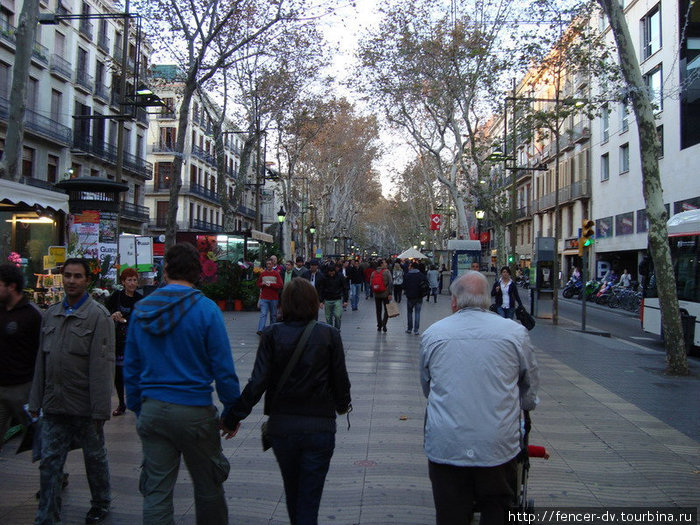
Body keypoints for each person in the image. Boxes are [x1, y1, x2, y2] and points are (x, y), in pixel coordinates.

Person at [124, 243, 241, 525]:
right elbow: (223, 369)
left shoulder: (141, 310)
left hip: (153, 410)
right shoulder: (206, 310)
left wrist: (139, 408)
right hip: (195, 411)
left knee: (156, 493)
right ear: (198, 272)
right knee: (208, 487)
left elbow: (131, 367)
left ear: (165, 271)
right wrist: (231, 413)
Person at [222, 278, 351, 525]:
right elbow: (341, 380)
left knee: (293, 492)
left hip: (283, 428)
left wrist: (232, 418)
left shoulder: (271, 334)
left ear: (285, 303)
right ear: (314, 303)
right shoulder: (330, 335)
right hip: (320, 428)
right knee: (309, 498)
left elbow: (257, 382)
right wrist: (343, 405)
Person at [420, 271, 539, 525]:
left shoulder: (433, 334)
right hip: (497, 444)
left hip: (447, 443)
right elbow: (529, 387)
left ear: (454, 301)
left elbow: (427, 387)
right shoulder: (515, 333)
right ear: (488, 300)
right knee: (497, 508)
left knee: (450, 514)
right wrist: (523, 407)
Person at [28, 258, 114, 525]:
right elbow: (41, 362)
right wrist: (35, 400)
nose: (72, 281)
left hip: (84, 406)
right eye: (68, 276)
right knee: (49, 463)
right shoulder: (50, 314)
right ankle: (46, 516)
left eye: (78, 276)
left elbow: (103, 366)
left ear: (87, 280)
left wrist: (100, 409)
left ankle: (100, 501)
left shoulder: (98, 316)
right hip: (54, 405)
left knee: (94, 458)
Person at [0, 263, 42, 451]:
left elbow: (41, 352)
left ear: (11, 286)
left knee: (38, 438)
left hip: (23, 388)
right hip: (1, 387)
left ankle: (55, 474)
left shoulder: (32, 314)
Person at [105, 268, 142, 417]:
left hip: (134, 342)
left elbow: (140, 319)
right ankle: (121, 403)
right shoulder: (116, 297)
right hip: (118, 341)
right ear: (123, 282)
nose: (132, 283)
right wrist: (113, 314)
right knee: (118, 374)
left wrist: (125, 320)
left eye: (134, 280)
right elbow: (106, 311)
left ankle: (137, 401)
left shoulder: (140, 299)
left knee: (135, 373)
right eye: (129, 280)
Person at [317, 264, 349, 330]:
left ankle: (337, 329)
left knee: (337, 315)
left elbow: (345, 288)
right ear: (327, 271)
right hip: (327, 300)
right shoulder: (324, 277)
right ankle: (330, 330)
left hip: (337, 299)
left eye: (332, 271)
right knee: (328, 318)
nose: (331, 273)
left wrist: (345, 300)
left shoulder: (340, 276)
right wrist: (321, 301)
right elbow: (321, 289)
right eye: (330, 272)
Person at [257, 258, 284, 335]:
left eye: (270, 264)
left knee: (273, 315)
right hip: (264, 297)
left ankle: (272, 329)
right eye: (267, 264)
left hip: (273, 298)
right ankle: (261, 329)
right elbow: (258, 284)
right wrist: (262, 284)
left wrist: (271, 285)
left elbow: (280, 285)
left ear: (272, 265)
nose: (268, 265)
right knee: (263, 314)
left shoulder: (276, 274)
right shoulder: (263, 274)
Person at [403, 261, 429, 335]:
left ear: (412, 267)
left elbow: (404, 285)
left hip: (410, 297)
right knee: (417, 313)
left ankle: (409, 329)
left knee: (409, 313)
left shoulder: (407, 275)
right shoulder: (421, 275)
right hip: (419, 296)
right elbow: (426, 285)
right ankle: (416, 330)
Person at [370, 259, 393, 332]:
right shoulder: (387, 272)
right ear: (382, 264)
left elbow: (371, 283)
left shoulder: (374, 272)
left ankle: (379, 325)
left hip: (377, 294)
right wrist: (390, 293)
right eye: (385, 262)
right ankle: (384, 324)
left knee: (378, 310)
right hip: (385, 294)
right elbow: (390, 283)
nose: (386, 263)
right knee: (386, 310)